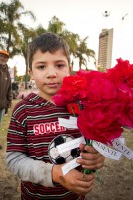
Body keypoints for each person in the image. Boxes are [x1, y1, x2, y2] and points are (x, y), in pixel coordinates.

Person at [6, 33, 105, 199]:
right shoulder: (23, 110)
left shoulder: (84, 106)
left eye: (59, 65)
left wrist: (96, 157)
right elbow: (14, 160)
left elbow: (93, 145)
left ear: (69, 67)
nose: (51, 73)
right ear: (31, 72)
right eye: (41, 67)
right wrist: (54, 173)